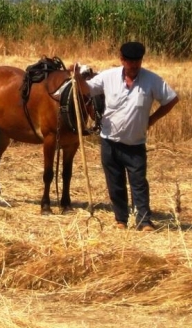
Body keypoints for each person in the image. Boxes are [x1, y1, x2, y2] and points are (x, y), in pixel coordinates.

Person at [75, 42, 179, 231]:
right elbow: (86, 90)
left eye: (137, 61)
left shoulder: (151, 80)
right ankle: (120, 220)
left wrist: (152, 119)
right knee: (115, 183)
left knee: (139, 183)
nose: (134, 65)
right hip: (109, 141)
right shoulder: (109, 77)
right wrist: (75, 76)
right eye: (130, 61)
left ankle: (144, 221)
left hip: (135, 144)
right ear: (122, 60)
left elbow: (172, 99)